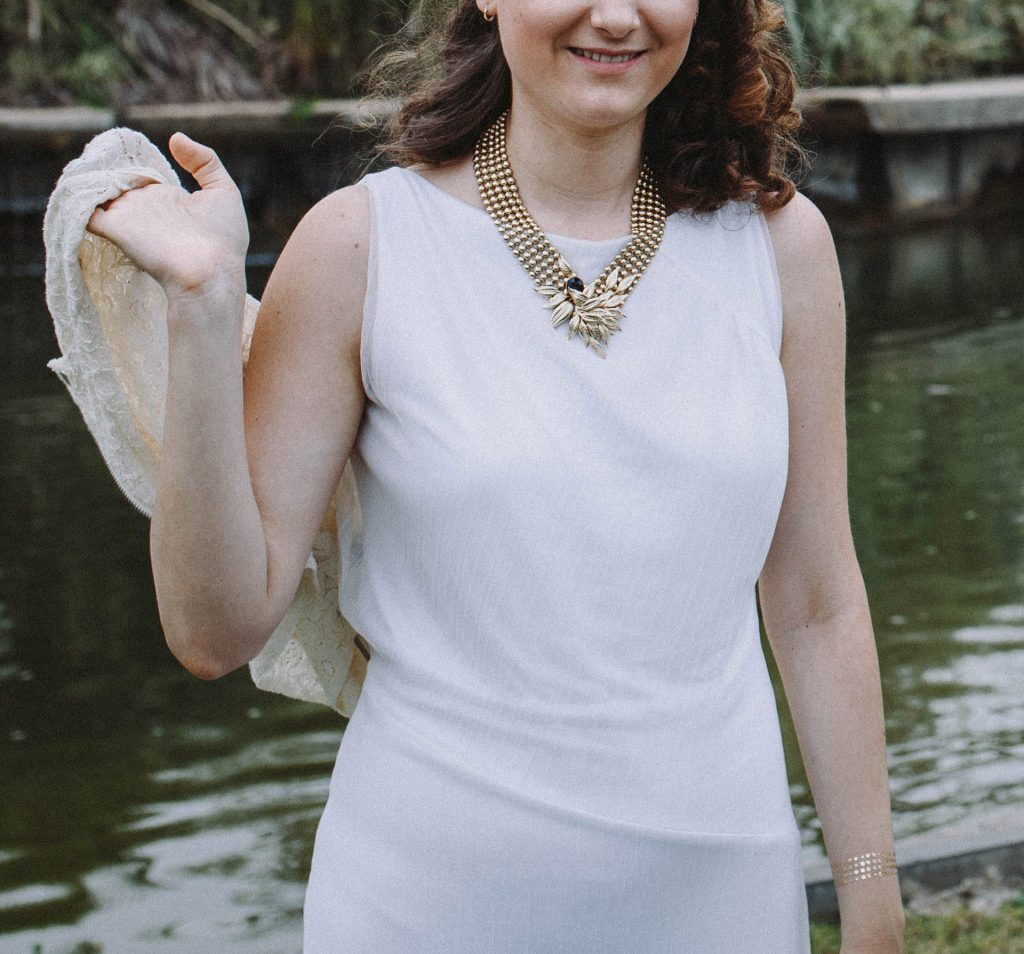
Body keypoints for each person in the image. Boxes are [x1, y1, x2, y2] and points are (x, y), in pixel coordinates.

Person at [84, 0, 906, 950]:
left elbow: (816, 604)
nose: (616, 16)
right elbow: (214, 631)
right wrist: (201, 301)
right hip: (426, 907)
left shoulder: (781, 247)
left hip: (723, 900)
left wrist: (871, 898)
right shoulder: (360, 247)